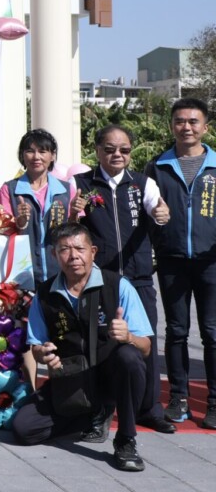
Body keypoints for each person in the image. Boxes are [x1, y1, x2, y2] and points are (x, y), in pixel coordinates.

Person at [11, 222, 155, 473]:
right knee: (24, 429)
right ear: (54, 255)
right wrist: (43, 354)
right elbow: (36, 347)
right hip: (71, 379)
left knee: (129, 357)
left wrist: (129, 336)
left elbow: (146, 348)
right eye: (65, 249)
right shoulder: (45, 294)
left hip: (111, 376)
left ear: (93, 252)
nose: (73, 256)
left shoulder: (118, 285)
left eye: (80, 248)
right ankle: (91, 414)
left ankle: (126, 439)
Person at [72, 124, 175, 436]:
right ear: (97, 150)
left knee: (145, 342)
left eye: (124, 149)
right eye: (110, 149)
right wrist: (74, 214)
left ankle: (148, 409)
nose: (117, 154)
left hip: (138, 278)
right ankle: (99, 409)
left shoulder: (142, 184)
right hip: (99, 279)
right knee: (97, 343)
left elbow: (157, 208)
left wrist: (161, 213)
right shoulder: (81, 184)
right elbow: (68, 227)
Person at [144, 97, 216, 427]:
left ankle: (213, 402)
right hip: (172, 260)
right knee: (176, 331)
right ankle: (178, 397)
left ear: (205, 127)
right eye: (179, 121)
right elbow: (146, 211)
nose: (186, 127)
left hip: (211, 261)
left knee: (212, 332)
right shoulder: (157, 167)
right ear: (171, 125)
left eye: (193, 121)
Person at [0, 129, 72, 286]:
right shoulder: (9, 189)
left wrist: (75, 213)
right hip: (22, 274)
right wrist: (20, 223)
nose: (36, 157)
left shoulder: (66, 190)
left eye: (42, 151)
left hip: (60, 271)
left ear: (52, 155)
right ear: (22, 155)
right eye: (30, 151)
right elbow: (2, 230)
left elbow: (74, 230)